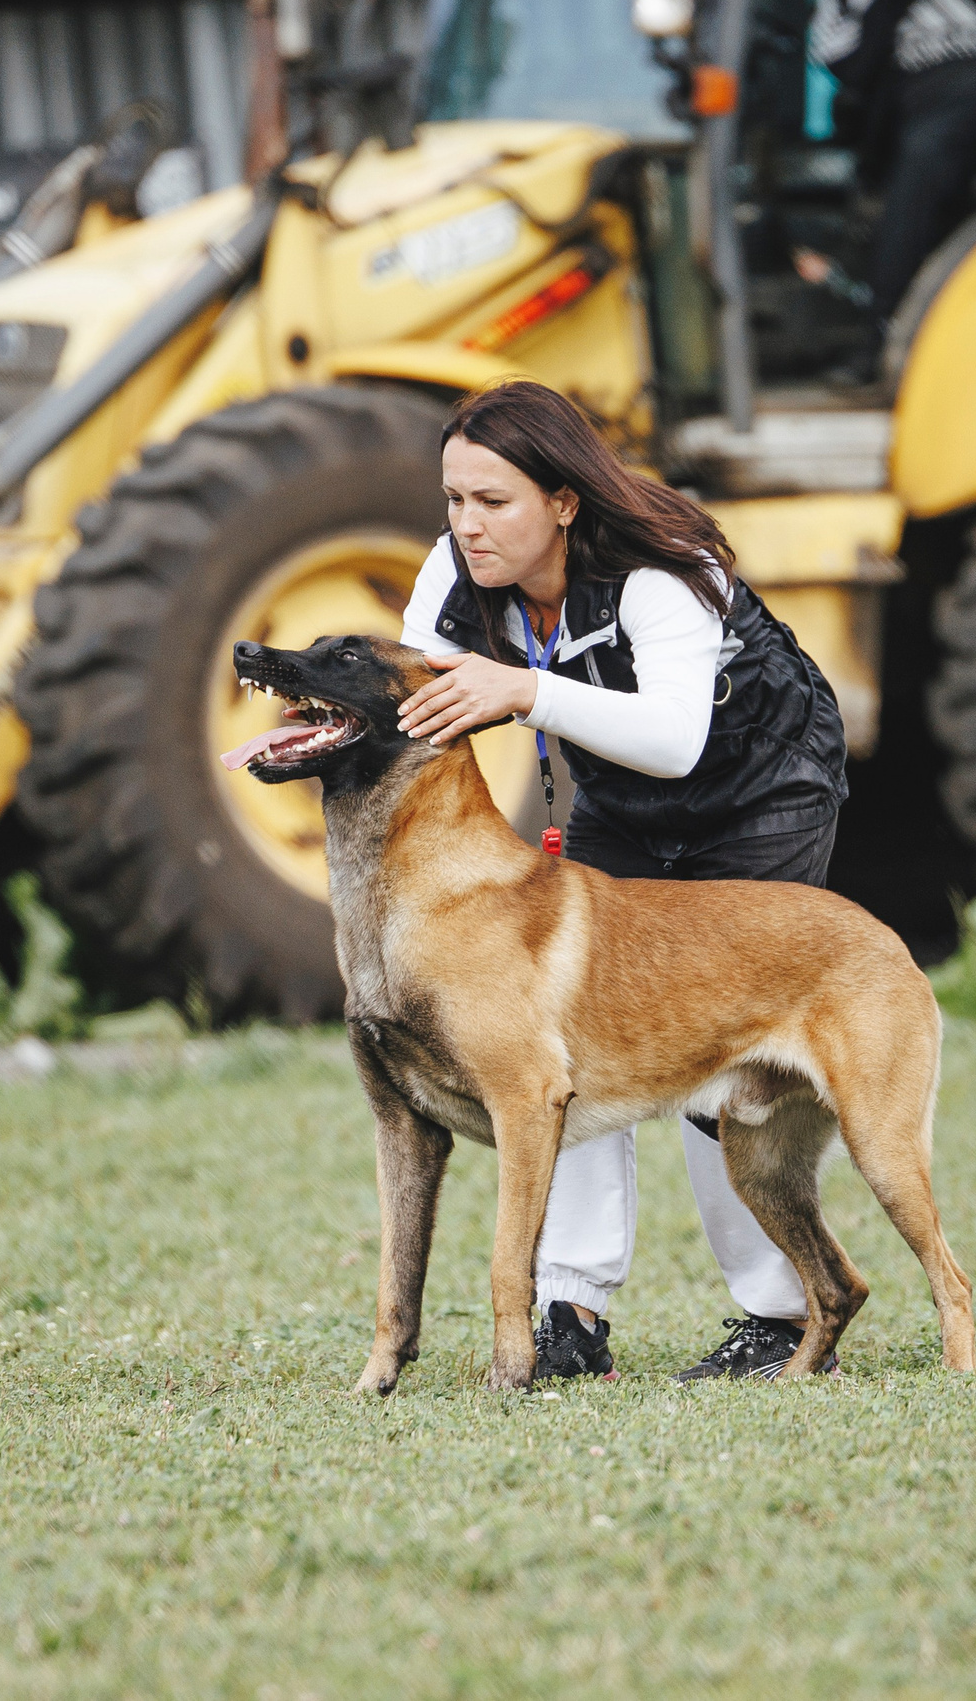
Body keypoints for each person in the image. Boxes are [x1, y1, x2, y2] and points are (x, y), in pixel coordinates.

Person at [394, 380, 852, 1382]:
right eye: (454, 499)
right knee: (567, 1039)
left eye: (493, 501)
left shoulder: (661, 568)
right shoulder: (454, 573)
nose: (467, 524)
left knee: (715, 1060)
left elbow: (677, 739)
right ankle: (572, 1312)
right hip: (625, 802)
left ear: (564, 501)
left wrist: (524, 688)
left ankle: (778, 1317)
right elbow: (408, 714)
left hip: (760, 788)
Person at [808, 0, 976, 330]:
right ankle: (888, 316)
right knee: (922, 159)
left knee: (929, 154)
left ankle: (886, 319)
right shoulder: (856, 4)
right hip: (915, 105)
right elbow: (848, 66)